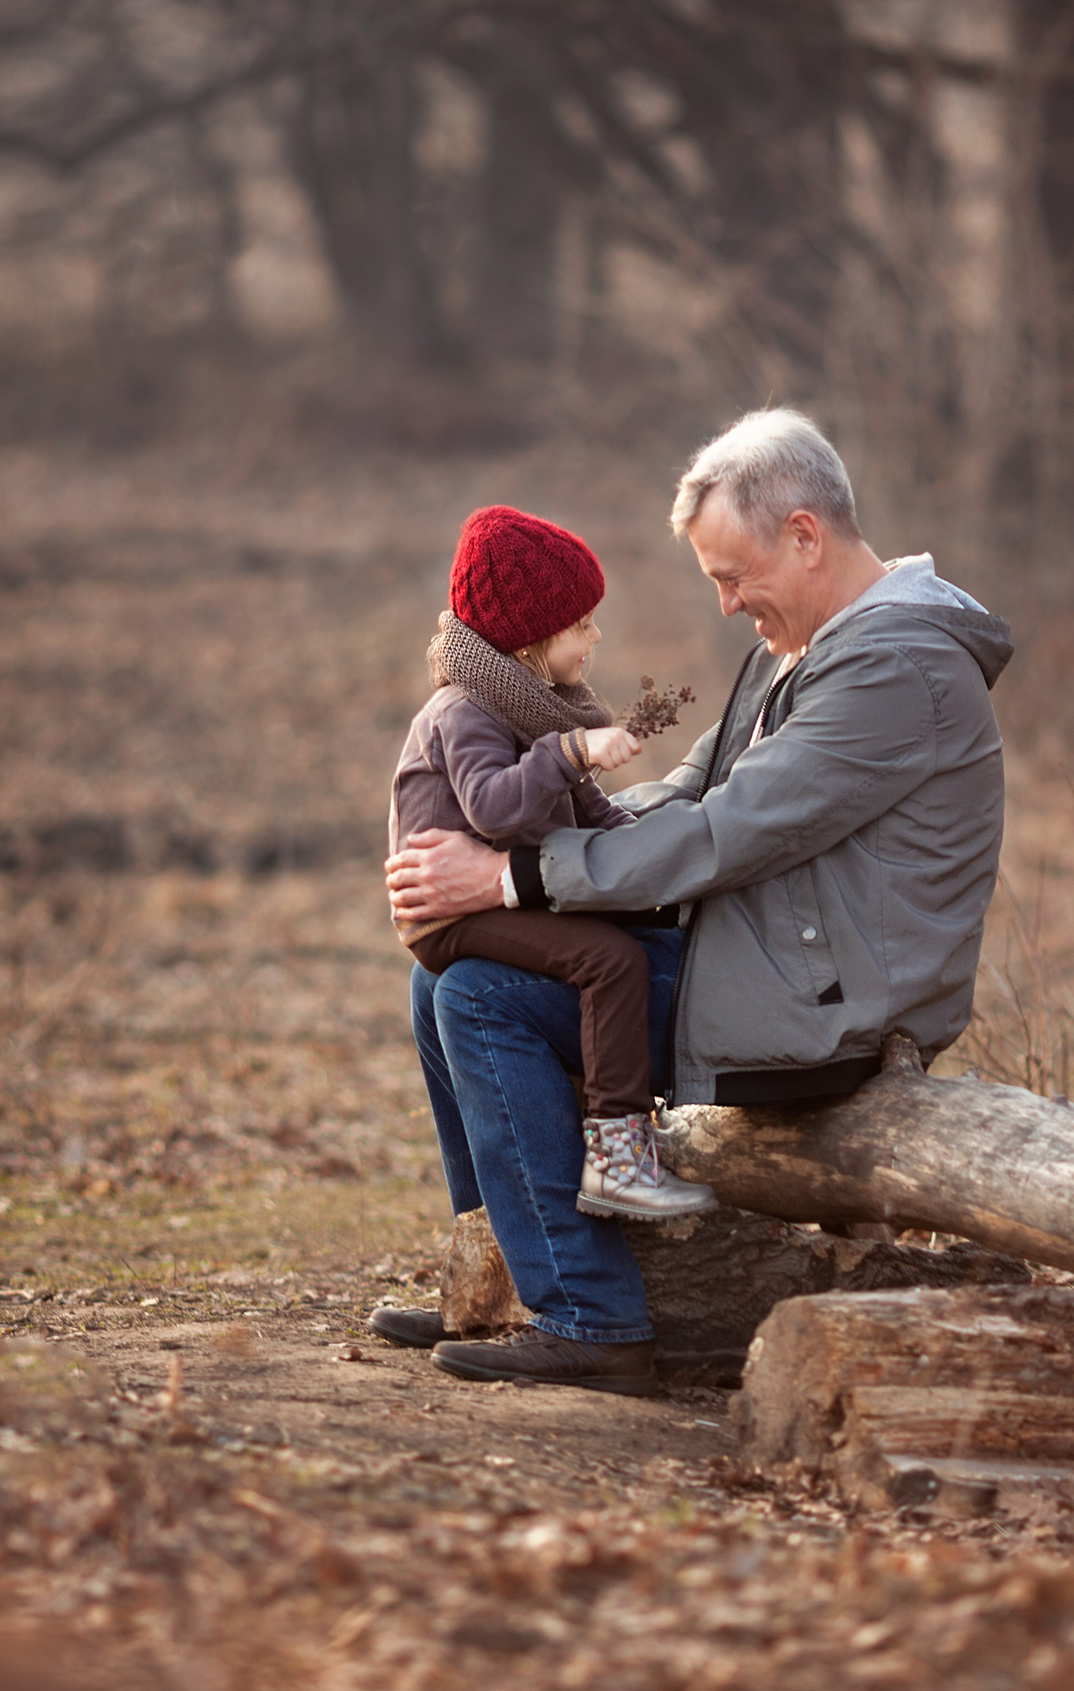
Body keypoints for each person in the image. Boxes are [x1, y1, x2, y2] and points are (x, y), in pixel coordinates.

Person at [379, 409, 1014, 1395]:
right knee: (442, 982)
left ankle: (591, 1317)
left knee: (483, 996)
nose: (724, 605)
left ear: (804, 536)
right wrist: (516, 845)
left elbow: (728, 832)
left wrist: (511, 879)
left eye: (732, 575)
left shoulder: (896, 667)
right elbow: (688, 793)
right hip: (753, 950)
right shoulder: (803, 647)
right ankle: (498, 1276)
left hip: (822, 1004)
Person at [390, 503, 719, 1224]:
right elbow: (493, 809)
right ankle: (618, 1161)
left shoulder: (531, 705)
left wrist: (650, 852)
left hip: (497, 896)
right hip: (447, 911)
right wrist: (568, 752)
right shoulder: (465, 712)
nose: (595, 637)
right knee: (610, 962)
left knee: (613, 945)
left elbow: (588, 809)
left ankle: (514, 1216)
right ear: (531, 638)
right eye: (581, 625)